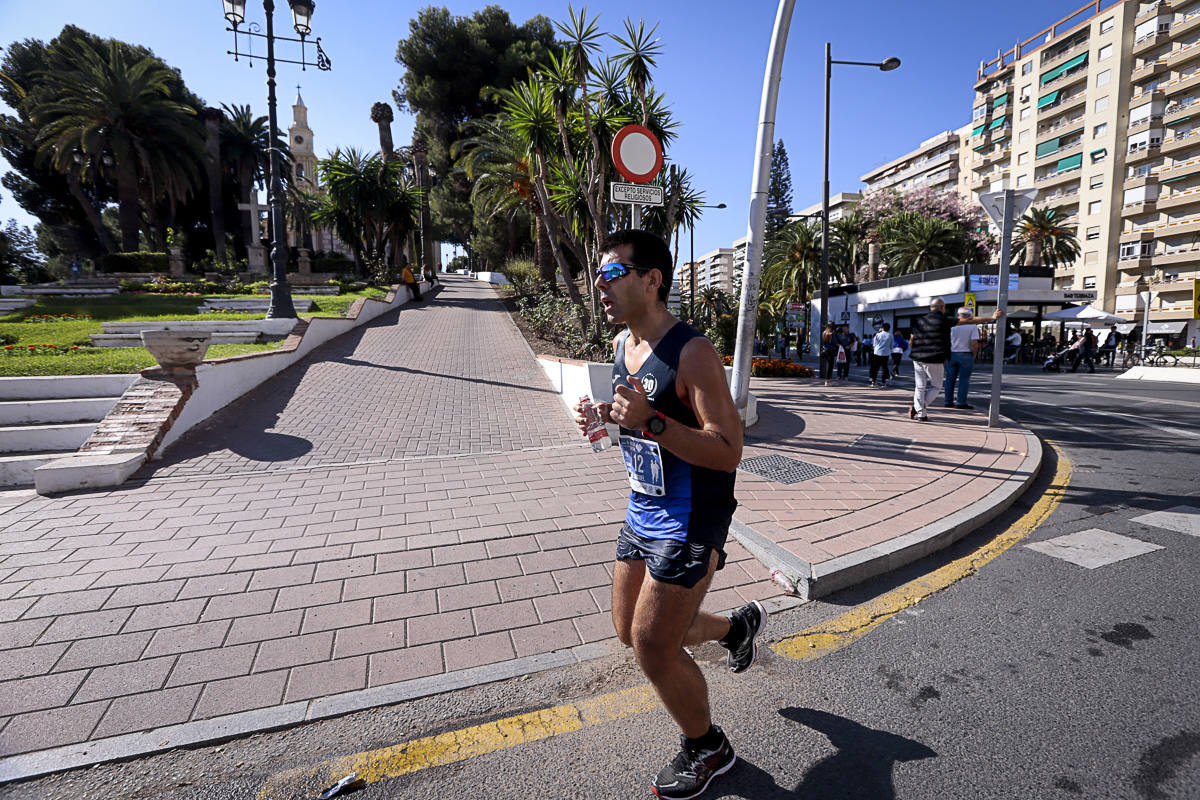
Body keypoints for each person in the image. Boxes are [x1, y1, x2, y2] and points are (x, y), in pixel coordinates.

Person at [572, 229, 764, 800]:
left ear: (651, 280)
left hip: (690, 518)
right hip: (642, 508)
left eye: (611, 275)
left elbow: (728, 449)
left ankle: (708, 747)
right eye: (597, 275)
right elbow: (639, 420)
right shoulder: (621, 347)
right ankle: (736, 628)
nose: (598, 286)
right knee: (630, 632)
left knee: (655, 646)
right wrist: (607, 418)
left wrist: (653, 422)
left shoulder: (693, 352)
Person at [908, 298, 1003, 422]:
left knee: (920, 387)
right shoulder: (945, 320)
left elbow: (911, 341)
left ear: (930, 308)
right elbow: (970, 320)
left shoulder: (918, 321)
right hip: (935, 358)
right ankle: (918, 408)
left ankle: (921, 413)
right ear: (942, 308)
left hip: (917, 358)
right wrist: (992, 318)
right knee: (936, 386)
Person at [944, 308, 984, 409]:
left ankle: (948, 401)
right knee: (964, 380)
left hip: (951, 354)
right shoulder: (972, 326)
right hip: (966, 354)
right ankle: (961, 402)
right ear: (969, 316)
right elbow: (974, 344)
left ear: (958, 315)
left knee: (949, 379)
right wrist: (973, 355)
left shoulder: (951, 325)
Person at [869, 323, 893, 387]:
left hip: (877, 353)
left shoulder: (877, 334)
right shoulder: (890, 335)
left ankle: (873, 382)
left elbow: (874, 344)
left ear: (882, 328)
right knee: (884, 368)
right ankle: (883, 383)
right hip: (885, 353)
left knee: (875, 368)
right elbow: (891, 345)